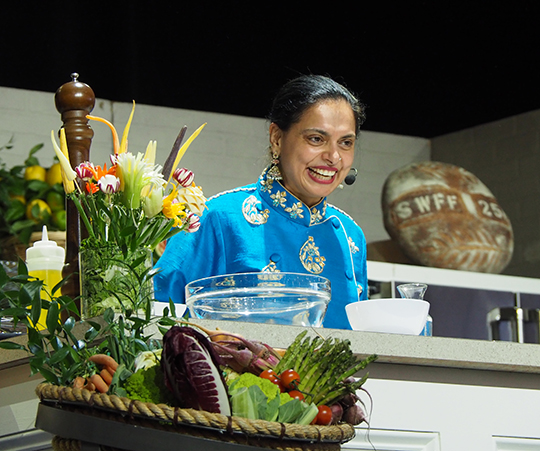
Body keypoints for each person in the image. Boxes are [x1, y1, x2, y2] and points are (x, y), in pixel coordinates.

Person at [154, 74, 368, 329]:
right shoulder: (218, 218)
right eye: (316, 139)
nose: (333, 157)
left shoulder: (351, 236)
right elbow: (158, 316)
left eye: (346, 143)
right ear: (277, 138)